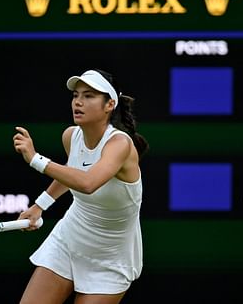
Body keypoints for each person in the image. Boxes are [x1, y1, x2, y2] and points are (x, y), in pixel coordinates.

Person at [13, 69, 149, 304]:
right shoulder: (71, 136)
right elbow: (72, 172)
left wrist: (36, 159)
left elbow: (88, 183)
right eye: (76, 95)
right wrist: (39, 205)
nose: (78, 102)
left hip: (111, 257)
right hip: (70, 239)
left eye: (89, 96)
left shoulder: (120, 145)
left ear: (109, 105)